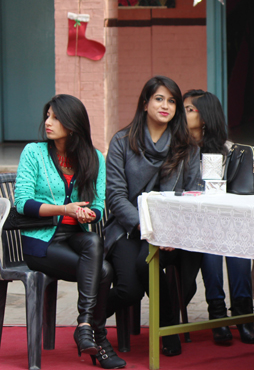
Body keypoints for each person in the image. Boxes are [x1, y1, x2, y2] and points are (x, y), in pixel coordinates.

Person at [14, 95, 125, 368]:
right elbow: (23, 203)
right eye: (47, 115)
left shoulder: (94, 158)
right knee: (104, 271)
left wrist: (89, 214)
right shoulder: (34, 152)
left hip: (74, 237)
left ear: (73, 125)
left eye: (56, 117)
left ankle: (85, 326)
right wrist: (64, 210)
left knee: (93, 241)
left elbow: (98, 206)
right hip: (41, 241)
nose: (48, 122)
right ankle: (96, 337)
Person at [104, 76, 202, 357]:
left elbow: (193, 195)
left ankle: (166, 327)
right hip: (128, 227)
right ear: (145, 103)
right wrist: (146, 226)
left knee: (145, 262)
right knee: (129, 290)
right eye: (159, 99)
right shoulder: (122, 142)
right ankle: (90, 318)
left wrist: (170, 230)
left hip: (169, 233)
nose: (165, 106)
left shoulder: (187, 147)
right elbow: (115, 197)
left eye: (172, 101)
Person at [183, 89, 254, 345]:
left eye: (188, 110)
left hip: (227, 222)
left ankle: (244, 316)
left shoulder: (230, 151)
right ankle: (217, 315)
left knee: (238, 247)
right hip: (193, 225)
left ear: (204, 117)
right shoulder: (178, 149)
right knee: (211, 251)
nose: (182, 114)